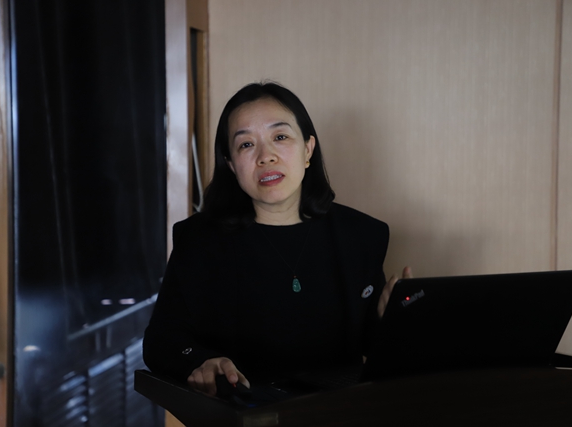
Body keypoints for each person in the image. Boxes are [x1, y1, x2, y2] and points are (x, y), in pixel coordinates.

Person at [143, 82, 411, 396]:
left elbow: (371, 346)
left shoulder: (361, 235)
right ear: (230, 164)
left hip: (338, 412)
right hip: (243, 412)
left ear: (308, 149)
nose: (265, 156)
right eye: (246, 144)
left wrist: (391, 320)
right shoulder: (199, 241)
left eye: (280, 137)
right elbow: (161, 342)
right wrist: (201, 361)